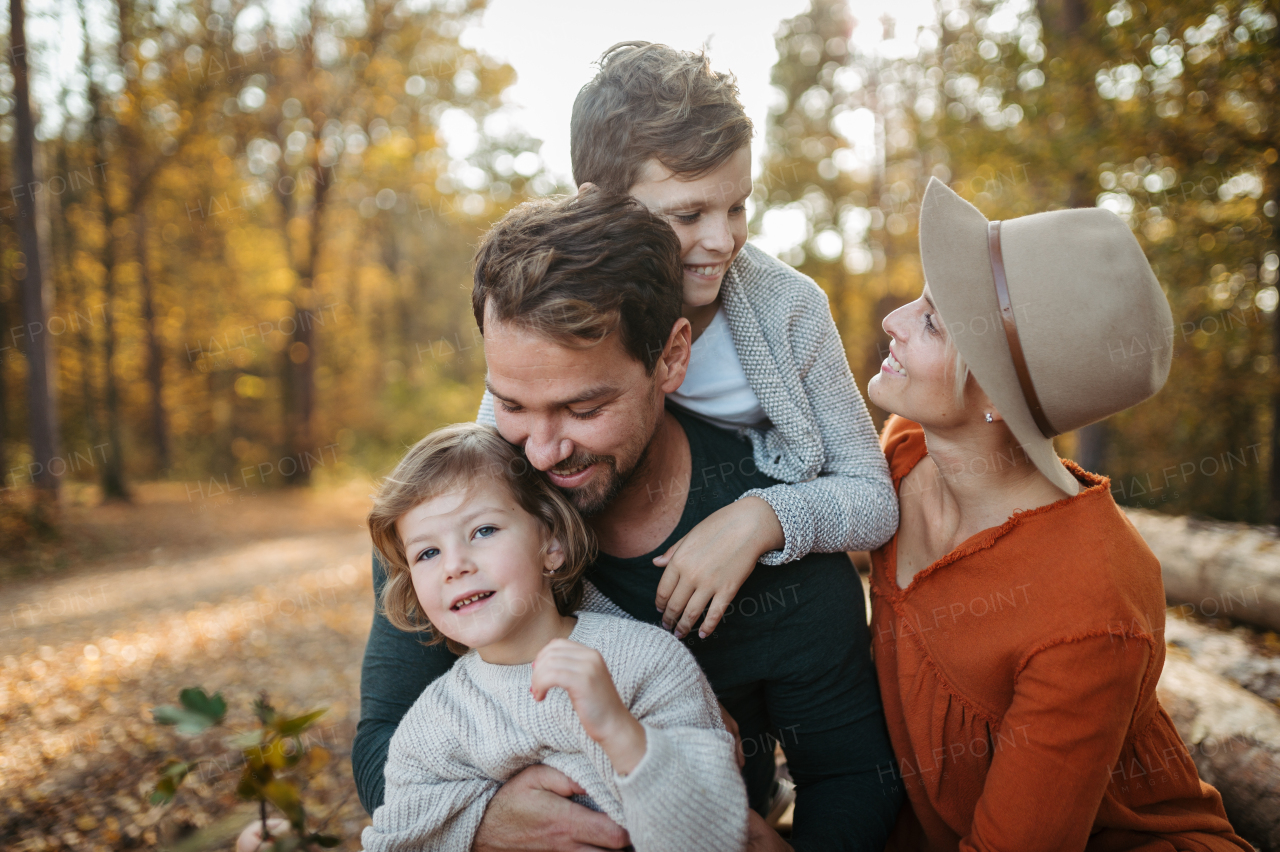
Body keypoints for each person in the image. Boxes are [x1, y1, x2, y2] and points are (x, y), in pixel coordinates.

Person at [354, 189, 902, 852]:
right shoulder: (447, 527)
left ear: (671, 358)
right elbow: (383, 744)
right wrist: (484, 820)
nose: (541, 451)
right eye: (512, 405)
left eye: (583, 410)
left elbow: (851, 779)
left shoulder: (781, 548)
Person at [863, 176, 1251, 849]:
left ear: (998, 395)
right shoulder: (903, 453)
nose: (893, 321)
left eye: (931, 320)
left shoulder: (1090, 605)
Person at [476, 41, 898, 641]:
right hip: (607, 602)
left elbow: (871, 498)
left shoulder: (787, 308)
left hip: (762, 597)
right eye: (687, 215)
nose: (723, 241)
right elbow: (496, 473)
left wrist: (761, 518)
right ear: (598, 202)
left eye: (737, 207)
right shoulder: (550, 305)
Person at [358, 423, 747, 852]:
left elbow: (717, 835)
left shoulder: (648, 660)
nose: (455, 566)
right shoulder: (433, 725)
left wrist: (618, 730)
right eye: (427, 553)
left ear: (552, 542)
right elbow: (398, 842)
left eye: (483, 531)